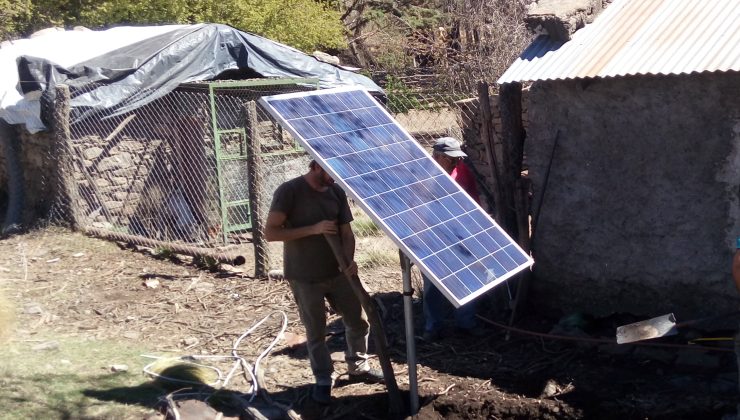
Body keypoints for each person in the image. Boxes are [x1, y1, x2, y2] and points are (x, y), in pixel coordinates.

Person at [264, 160, 383, 405]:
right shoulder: (290, 191)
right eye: (331, 172)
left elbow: (347, 233)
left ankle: (358, 366)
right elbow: (271, 233)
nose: (335, 178)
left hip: (339, 273)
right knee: (316, 331)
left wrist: (348, 261)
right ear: (316, 166)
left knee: (358, 322)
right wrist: (313, 229)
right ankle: (323, 379)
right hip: (305, 275)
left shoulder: (336, 191)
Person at [422, 137, 485, 341]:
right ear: (438, 157)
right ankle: (434, 326)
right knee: (433, 283)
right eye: (451, 159)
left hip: (461, 234)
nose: (456, 162)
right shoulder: (423, 176)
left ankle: (466, 322)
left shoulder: (463, 172)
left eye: (457, 158)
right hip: (432, 236)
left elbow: (473, 202)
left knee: (466, 277)